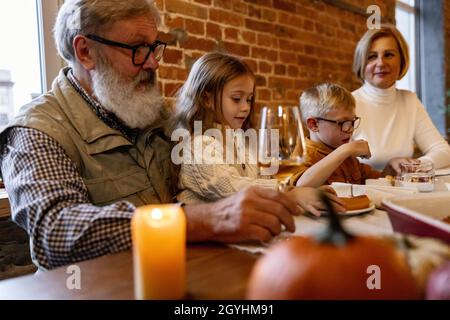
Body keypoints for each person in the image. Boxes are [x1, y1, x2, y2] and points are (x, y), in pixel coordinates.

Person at [0, 0, 314, 270]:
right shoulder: (37, 129)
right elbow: (55, 232)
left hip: (183, 273)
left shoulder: (166, 113)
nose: (152, 63)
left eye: (154, 48)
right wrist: (203, 220)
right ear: (85, 51)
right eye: (137, 49)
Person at [172, 52, 341, 215]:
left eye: (249, 99)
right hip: (206, 239)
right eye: (237, 98)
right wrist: (291, 195)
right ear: (206, 99)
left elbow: (261, 178)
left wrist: (296, 190)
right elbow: (231, 187)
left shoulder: (239, 138)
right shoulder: (199, 144)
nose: (246, 107)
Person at [352, 24, 450, 173]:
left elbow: (443, 151)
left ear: (401, 60)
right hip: (361, 192)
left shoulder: (409, 100)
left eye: (389, 54)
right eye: (372, 56)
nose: (381, 63)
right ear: (361, 62)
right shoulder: (348, 104)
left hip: (402, 191)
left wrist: (410, 166)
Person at [294, 83, 399, 188]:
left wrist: (391, 167)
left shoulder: (349, 160)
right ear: (314, 124)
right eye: (342, 122)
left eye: (352, 121)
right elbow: (302, 185)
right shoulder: (301, 157)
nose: (350, 129)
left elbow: (378, 183)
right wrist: (345, 150)